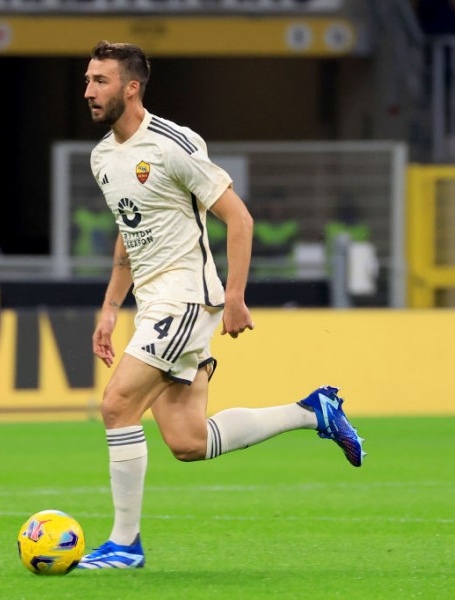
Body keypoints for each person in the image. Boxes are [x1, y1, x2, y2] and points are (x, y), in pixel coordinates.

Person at [78, 41, 365, 570]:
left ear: (131, 87)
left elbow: (239, 218)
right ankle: (311, 412)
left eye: (100, 80)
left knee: (117, 405)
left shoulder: (174, 144)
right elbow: (129, 233)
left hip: (187, 297)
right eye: (89, 79)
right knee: (187, 441)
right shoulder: (103, 157)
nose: (89, 90)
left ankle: (124, 544)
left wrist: (234, 297)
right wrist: (109, 308)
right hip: (154, 304)